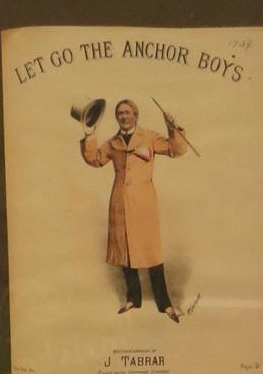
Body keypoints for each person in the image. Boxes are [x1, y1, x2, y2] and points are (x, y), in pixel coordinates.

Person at [78, 97, 190, 317]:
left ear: (136, 116)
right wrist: (89, 134)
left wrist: (172, 128)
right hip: (119, 202)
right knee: (125, 252)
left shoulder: (148, 137)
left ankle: (165, 304)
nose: (123, 116)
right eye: (120, 113)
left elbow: (176, 149)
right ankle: (133, 299)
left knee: (151, 252)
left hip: (144, 202)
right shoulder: (113, 143)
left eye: (127, 112)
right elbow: (95, 159)